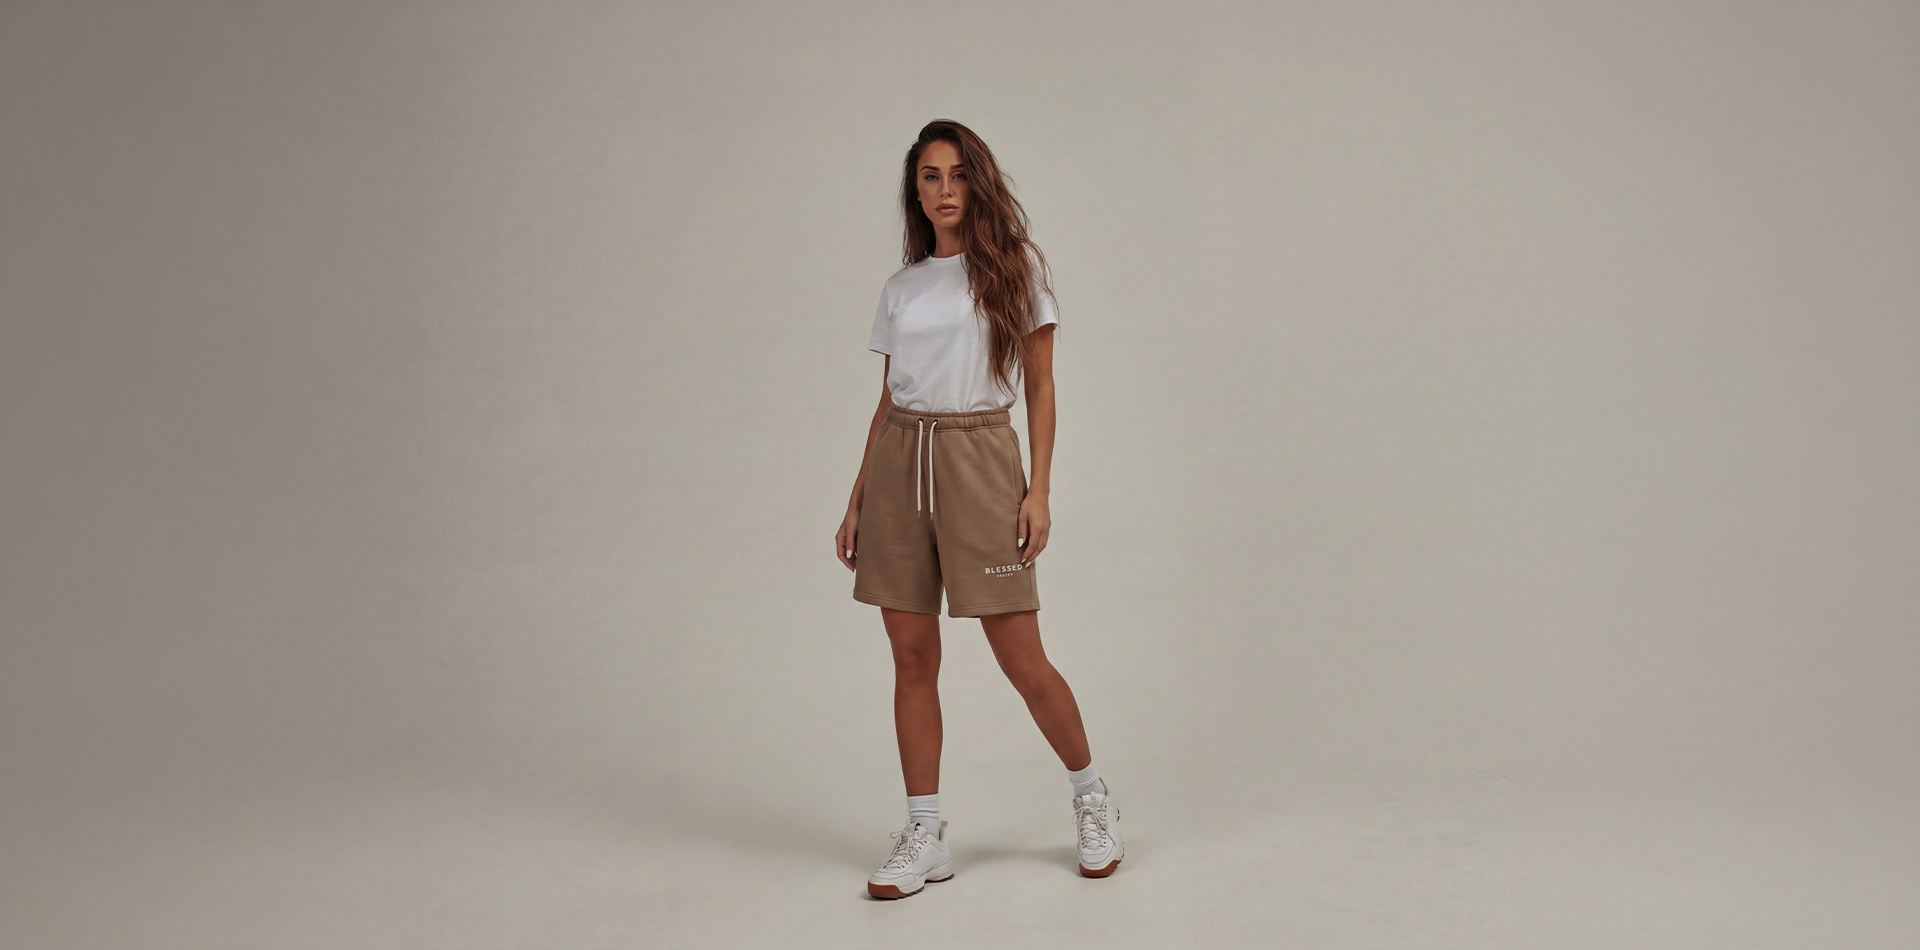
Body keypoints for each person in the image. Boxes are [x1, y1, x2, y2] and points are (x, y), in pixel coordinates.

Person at [836, 119, 1123, 899]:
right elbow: (888, 398)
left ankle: (1093, 798)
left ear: (979, 182)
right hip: (900, 461)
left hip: (980, 456)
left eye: (958, 174)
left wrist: (1039, 489)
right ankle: (925, 833)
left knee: (1020, 656)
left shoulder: (1015, 268)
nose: (945, 190)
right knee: (910, 655)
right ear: (915, 189)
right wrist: (857, 499)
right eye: (930, 176)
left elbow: (1041, 386)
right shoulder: (902, 287)